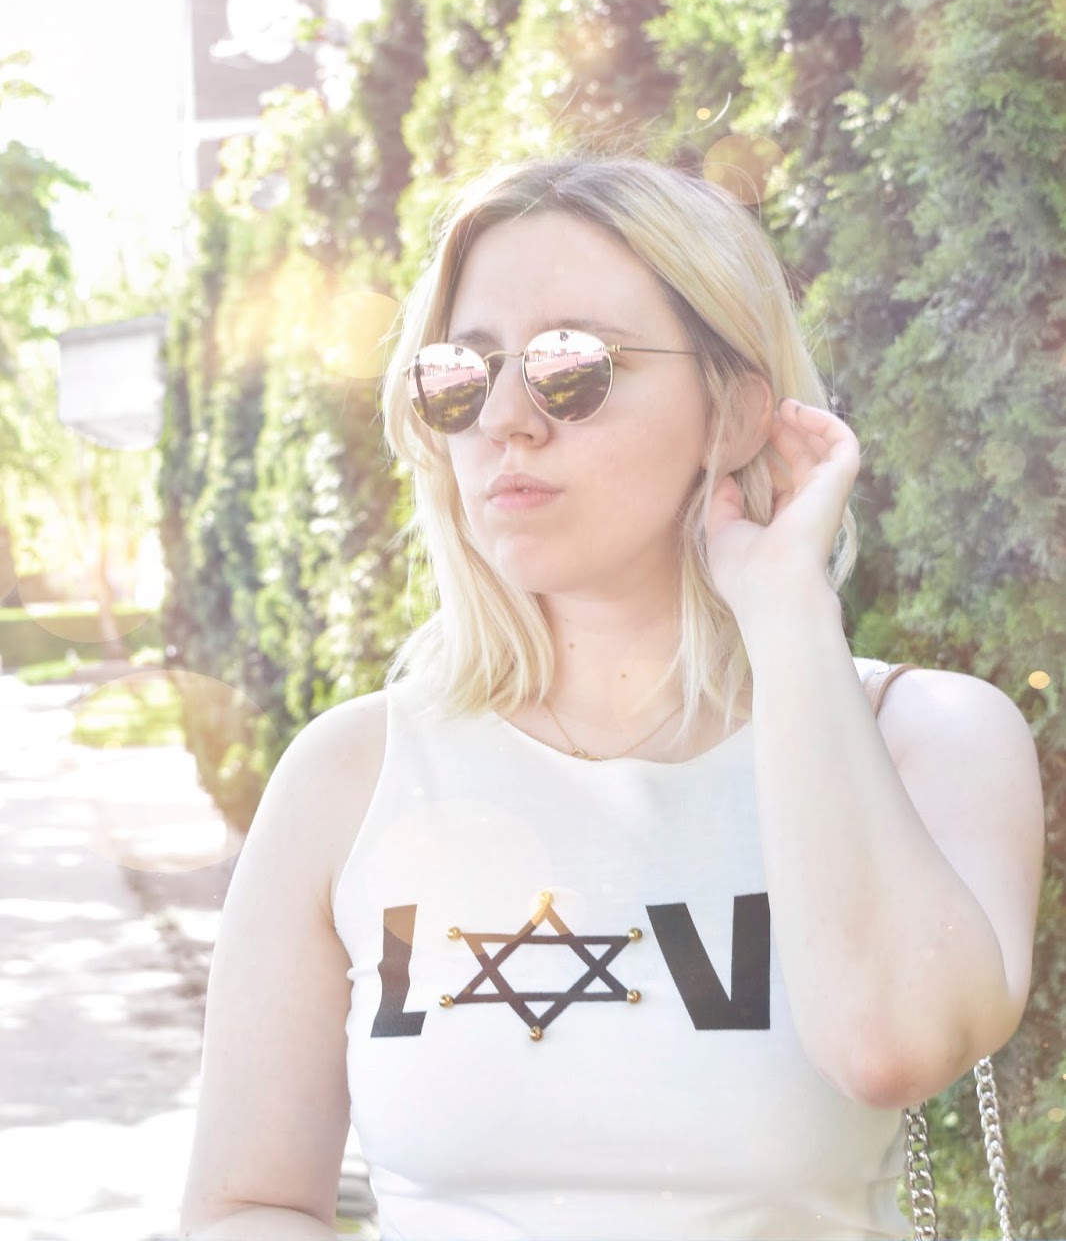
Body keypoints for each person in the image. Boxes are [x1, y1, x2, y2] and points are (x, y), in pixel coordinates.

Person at [179, 155, 1044, 1241]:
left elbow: (893, 1048)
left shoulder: (927, 738)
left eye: (569, 366)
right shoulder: (350, 775)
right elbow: (243, 1205)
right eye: (460, 375)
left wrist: (785, 608)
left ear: (732, 410)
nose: (505, 417)